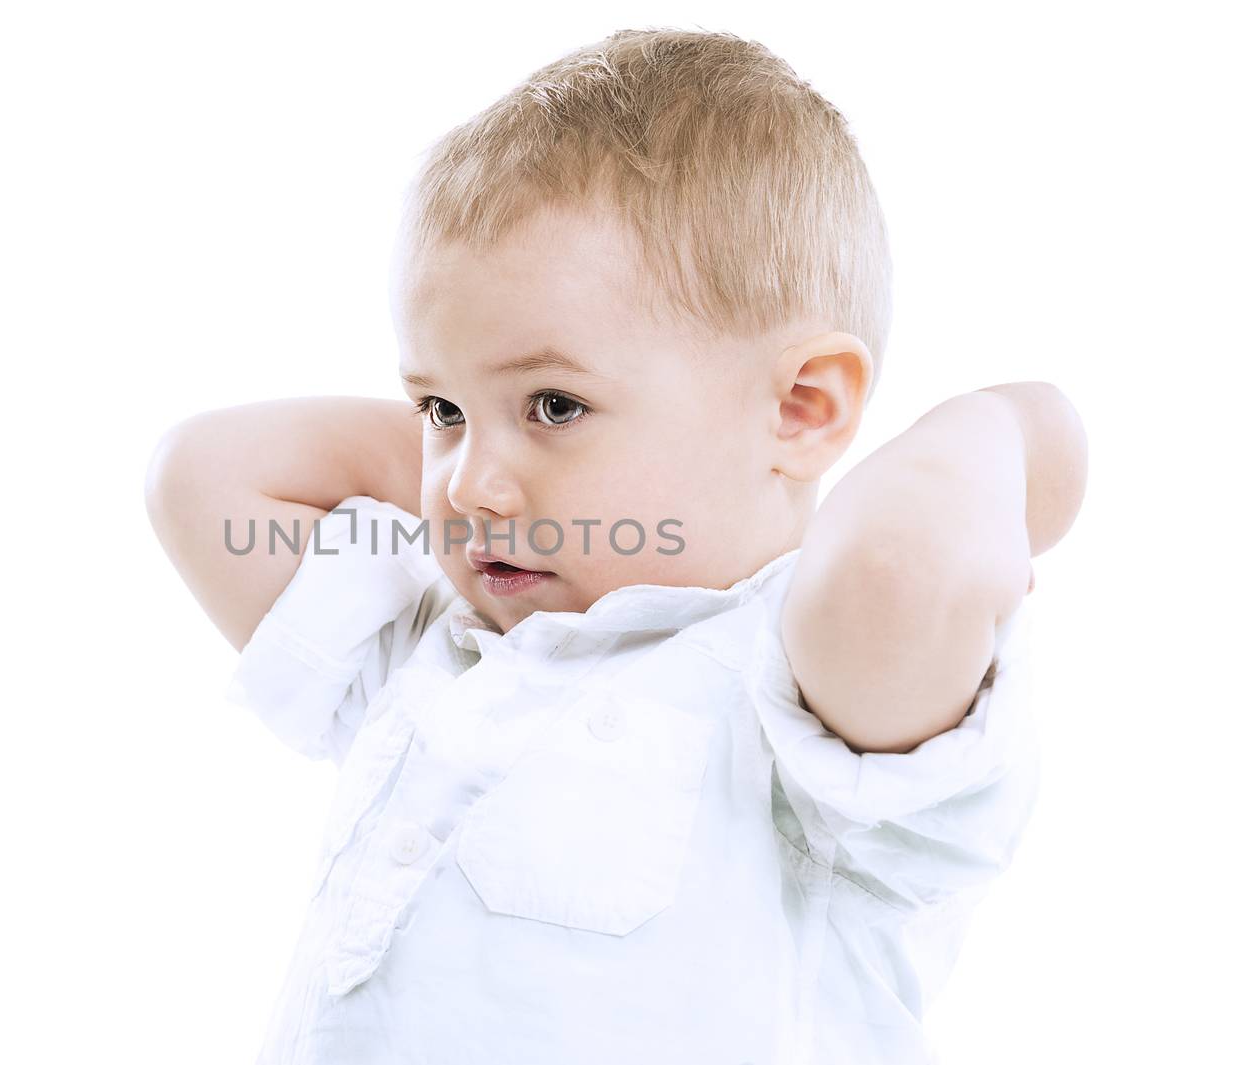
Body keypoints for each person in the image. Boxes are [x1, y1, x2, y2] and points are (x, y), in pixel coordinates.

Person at [145, 27, 1088, 1065]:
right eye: (440, 409)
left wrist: (1012, 424)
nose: (461, 482)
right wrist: (494, 449)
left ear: (804, 407)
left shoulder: (805, 695)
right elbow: (201, 475)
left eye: (556, 403)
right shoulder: (430, 649)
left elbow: (895, 567)